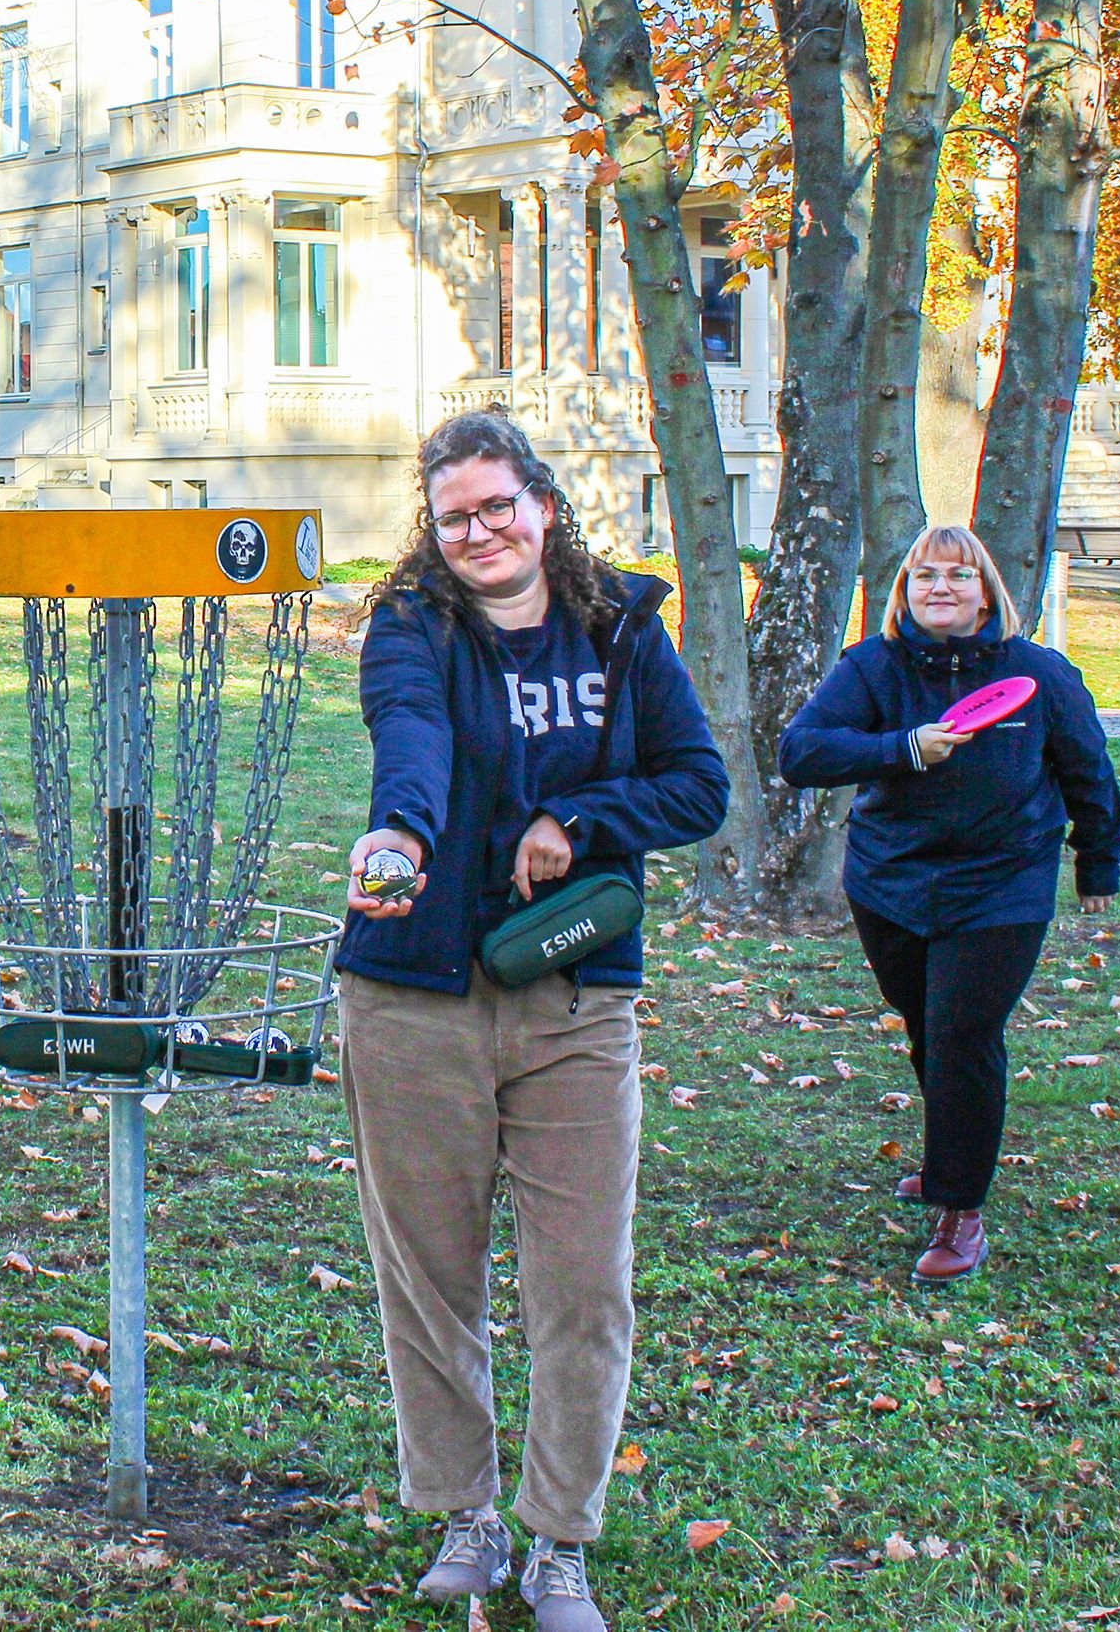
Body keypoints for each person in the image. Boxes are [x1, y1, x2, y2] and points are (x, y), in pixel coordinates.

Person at [340, 413, 731, 1632]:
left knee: (583, 1282)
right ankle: (466, 1513)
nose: (480, 533)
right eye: (455, 516)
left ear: (542, 504)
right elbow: (409, 740)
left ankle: (560, 1540)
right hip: (413, 993)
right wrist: (399, 834)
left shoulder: (619, 625)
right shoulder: (411, 625)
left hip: (572, 994)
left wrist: (582, 815)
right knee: (431, 1273)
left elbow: (699, 783)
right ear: (434, 526)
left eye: (498, 506)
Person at [776, 523, 1120, 1284]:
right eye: (924, 577)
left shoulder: (1038, 672)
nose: (940, 589)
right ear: (903, 592)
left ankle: (961, 1209)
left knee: (964, 1035)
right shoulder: (871, 668)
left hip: (1002, 885)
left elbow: (1088, 770)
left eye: (958, 577)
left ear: (985, 592)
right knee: (930, 1031)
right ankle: (945, 1163)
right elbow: (799, 753)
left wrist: (1096, 864)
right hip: (889, 885)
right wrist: (902, 747)